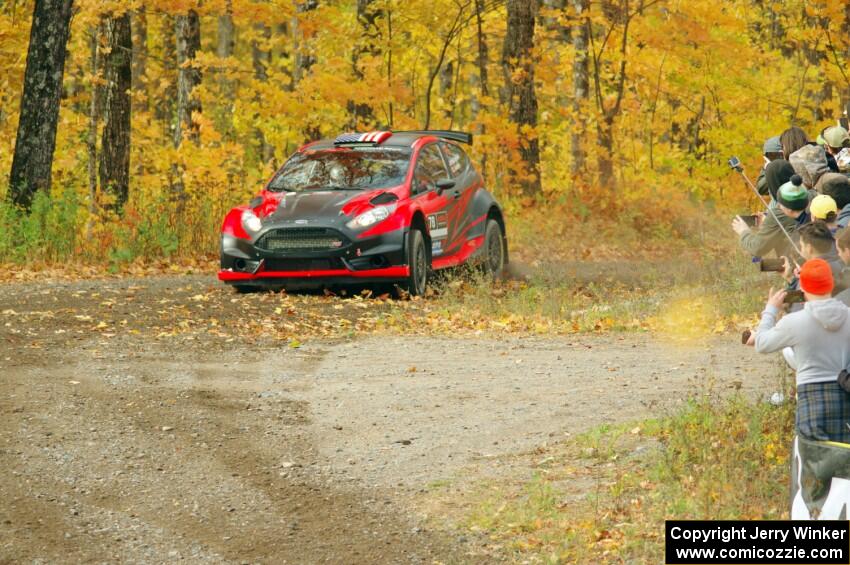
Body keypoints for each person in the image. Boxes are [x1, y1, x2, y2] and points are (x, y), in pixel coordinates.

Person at [751, 259, 850, 442]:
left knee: (814, 462)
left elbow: (761, 344)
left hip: (811, 399)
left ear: (802, 286)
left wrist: (770, 310)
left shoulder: (794, 322)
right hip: (846, 394)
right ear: (831, 283)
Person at [732, 160, 803, 258]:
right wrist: (767, 219)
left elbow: (757, 248)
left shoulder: (781, 212)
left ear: (773, 184)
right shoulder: (809, 195)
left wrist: (743, 231)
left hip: (797, 265)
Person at [782, 221, 844, 292]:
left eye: (802, 246)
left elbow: (798, 302)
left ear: (809, 248)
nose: (801, 250)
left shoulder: (813, 276)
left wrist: (792, 278)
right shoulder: (841, 261)